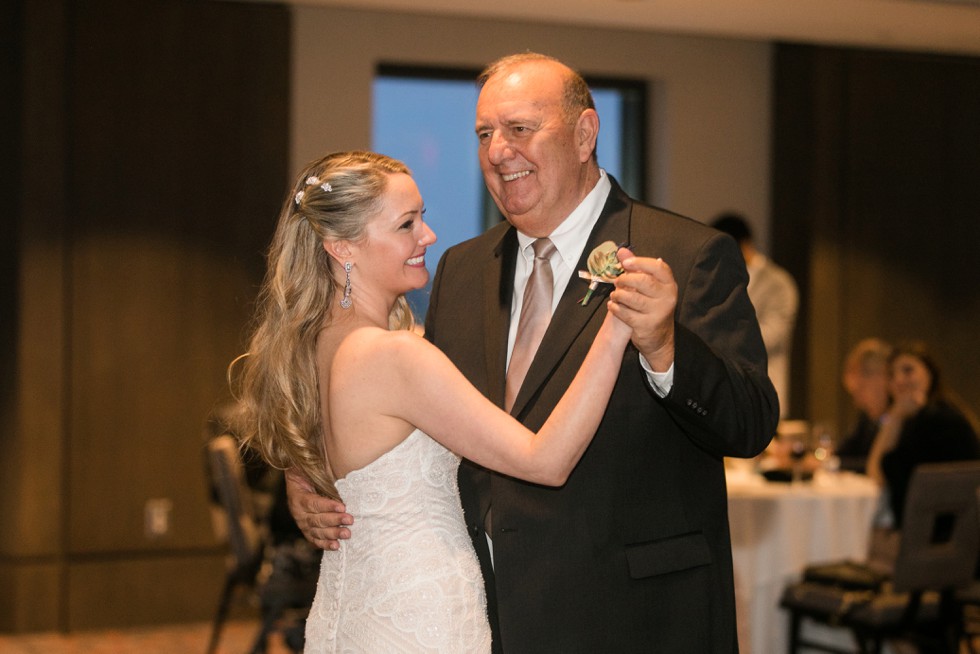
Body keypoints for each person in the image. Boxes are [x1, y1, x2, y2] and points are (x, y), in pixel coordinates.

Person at [289, 54, 778, 652]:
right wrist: (313, 479)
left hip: (633, 614)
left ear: (584, 135)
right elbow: (405, 418)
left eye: (519, 129)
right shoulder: (462, 270)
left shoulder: (684, 252)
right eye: (485, 134)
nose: (497, 151)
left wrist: (666, 348)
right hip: (483, 610)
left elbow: (751, 423)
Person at [231, 150, 636, 652]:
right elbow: (546, 461)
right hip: (420, 618)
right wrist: (618, 326)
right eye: (406, 224)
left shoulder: (308, 348)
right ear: (342, 248)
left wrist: (301, 480)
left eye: (422, 217)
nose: (428, 236)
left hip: (347, 614)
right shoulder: (393, 357)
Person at [866, 340, 980, 529]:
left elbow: (876, 473)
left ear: (930, 373)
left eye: (908, 370)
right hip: (959, 540)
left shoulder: (934, 421)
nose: (900, 380)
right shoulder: (947, 412)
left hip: (929, 539)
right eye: (893, 375)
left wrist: (895, 416)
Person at [711, 212, 799, 415]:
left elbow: (773, 335)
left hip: (765, 390)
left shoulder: (779, 283)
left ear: (743, 244)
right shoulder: (719, 278)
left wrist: (720, 336)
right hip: (728, 393)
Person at [836, 338, 893, 473]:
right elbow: (843, 454)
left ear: (882, 378)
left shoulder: (904, 420)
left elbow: (884, 466)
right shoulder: (868, 419)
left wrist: (831, 464)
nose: (857, 402)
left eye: (859, 390)